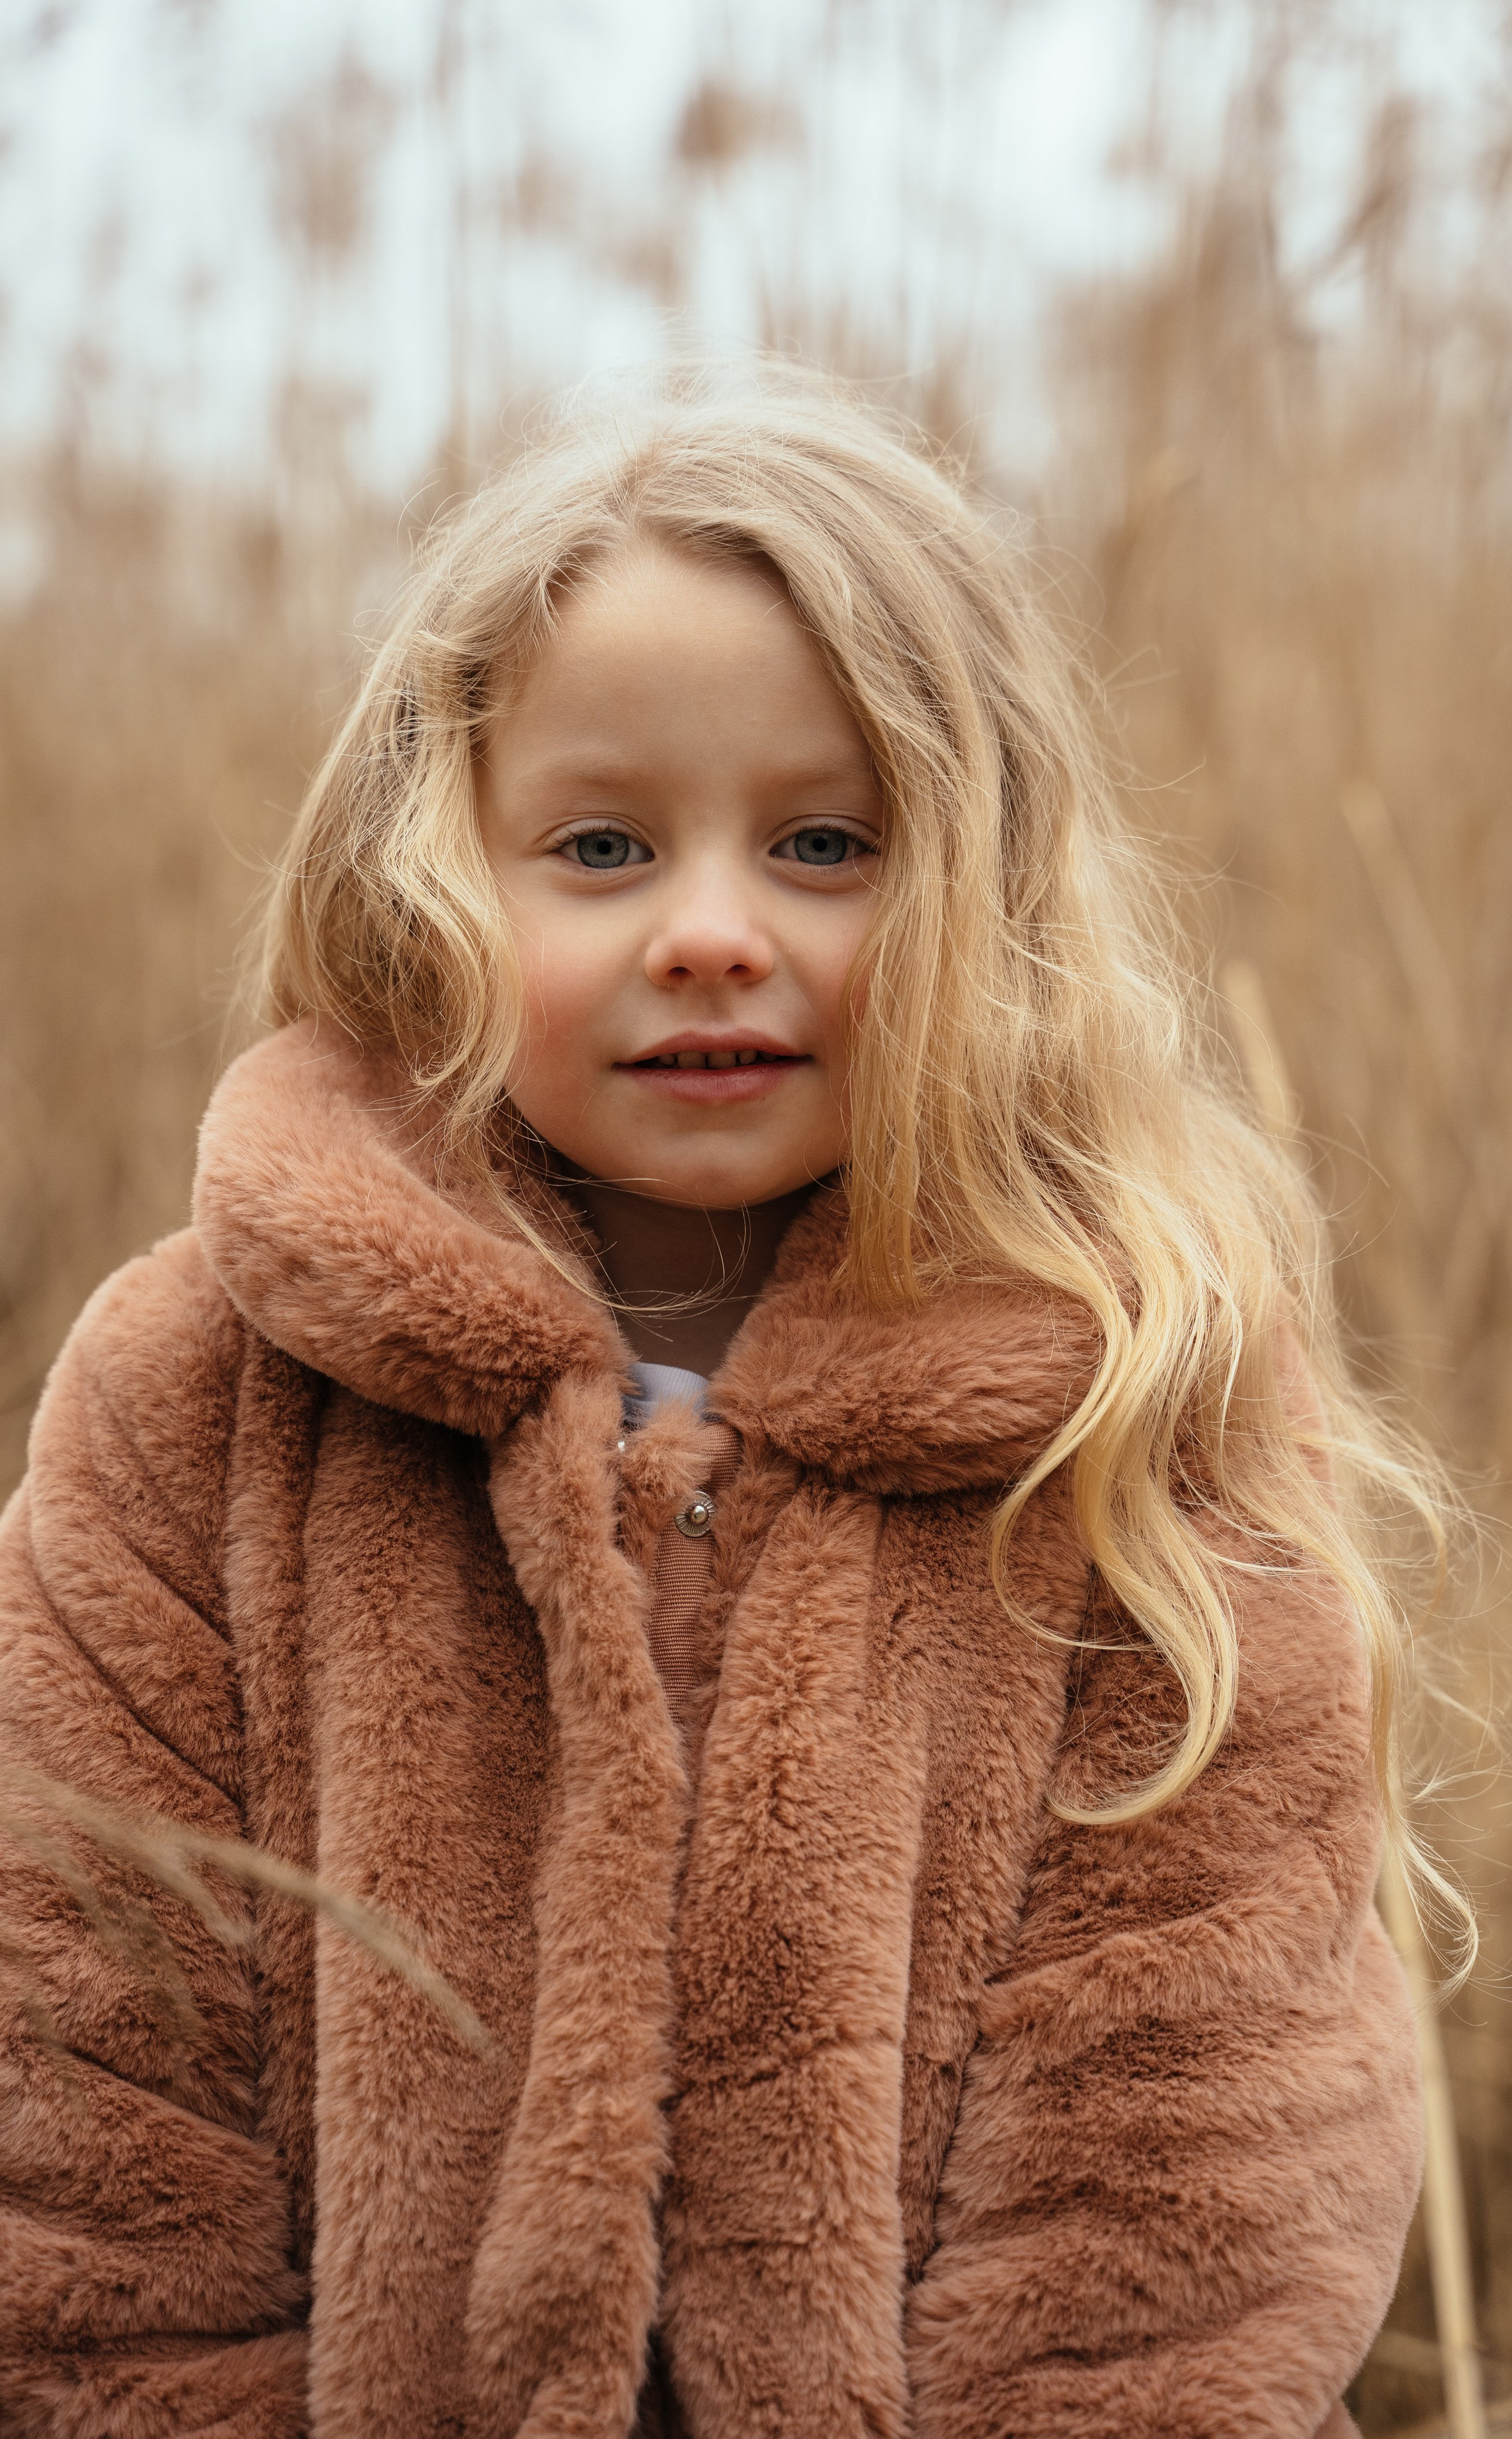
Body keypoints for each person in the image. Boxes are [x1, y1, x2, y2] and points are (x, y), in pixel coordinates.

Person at [0, 376, 1432, 2438]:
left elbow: (1197, 2173)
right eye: (599, 846)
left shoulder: (1136, 1414)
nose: (707, 933)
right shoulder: (202, 1397)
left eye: (827, 844)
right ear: (436, 886)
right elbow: (79, 2123)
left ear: (989, 895)